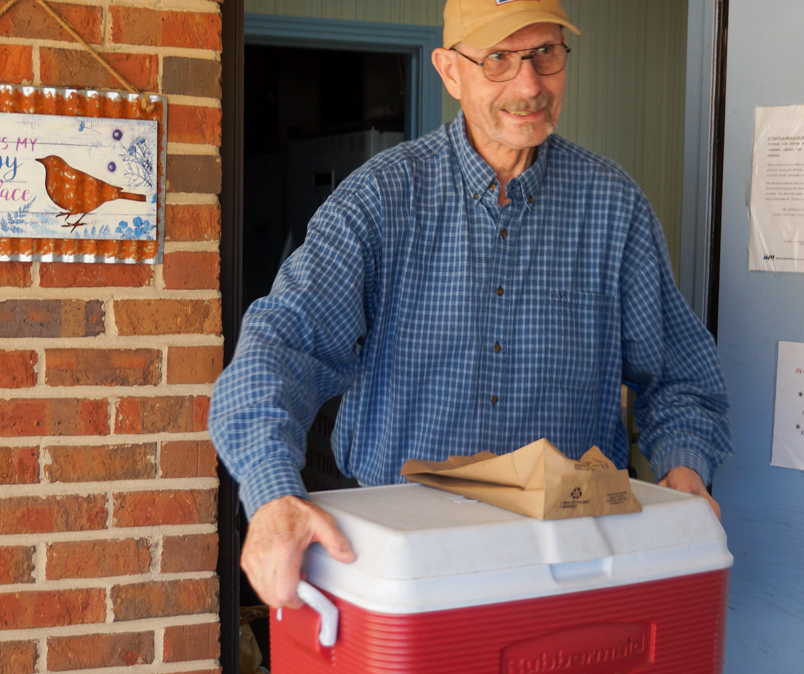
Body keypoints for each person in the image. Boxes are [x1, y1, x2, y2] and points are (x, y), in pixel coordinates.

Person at [209, 0, 732, 610]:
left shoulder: (615, 207)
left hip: (574, 555)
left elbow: (681, 377)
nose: (529, 84)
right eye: (499, 59)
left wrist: (685, 469)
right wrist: (272, 493)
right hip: (403, 559)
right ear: (450, 71)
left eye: (545, 53)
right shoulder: (380, 198)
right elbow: (281, 347)